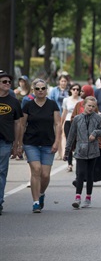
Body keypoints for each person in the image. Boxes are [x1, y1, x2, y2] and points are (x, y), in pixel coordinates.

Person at [20, 78, 62, 213]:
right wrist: (19, 143)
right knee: (36, 170)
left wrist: (57, 142)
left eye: (43, 88)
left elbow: (57, 124)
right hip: (31, 142)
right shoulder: (27, 105)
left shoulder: (52, 105)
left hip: (48, 143)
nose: (40, 91)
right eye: (37, 89)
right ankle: (36, 202)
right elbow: (21, 124)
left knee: (45, 174)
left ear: (46, 90)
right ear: (33, 90)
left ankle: (41, 193)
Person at [65, 96, 101, 209]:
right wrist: (66, 151)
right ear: (83, 106)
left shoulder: (97, 118)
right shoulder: (77, 119)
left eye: (93, 106)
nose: (91, 108)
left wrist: (95, 133)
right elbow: (71, 135)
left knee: (89, 175)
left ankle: (88, 197)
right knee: (80, 173)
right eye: (89, 105)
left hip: (93, 151)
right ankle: (77, 197)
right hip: (80, 150)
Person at [0, 70, 23, 215]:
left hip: (5, 141)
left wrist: (17, 144)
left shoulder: (14, 102)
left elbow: (18, 124)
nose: (8, 84)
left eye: (9, 82)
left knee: (1, 172)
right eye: (4, 82)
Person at [61, 83, 83, 172]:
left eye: (77, 89)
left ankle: (79, 161)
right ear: (70, 90)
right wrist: (61, 124)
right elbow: (64, 112)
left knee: (78, 142)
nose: (75, 91)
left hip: (79, 122)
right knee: (69, 142)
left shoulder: (82, 101)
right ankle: (69, 164)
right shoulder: (66, 100)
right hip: (68, 121)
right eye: (74, 89)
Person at [49, 74, 70, 160]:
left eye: (65, 81)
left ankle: (64, 153)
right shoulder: (54, 90)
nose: (63, 83)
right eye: (62, 81)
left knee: (64, 134)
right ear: (59, 82)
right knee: (57, 133)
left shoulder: (69, 90)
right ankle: (59, 152)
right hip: (56, 113)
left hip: (66, 115)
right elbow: (50, 101)